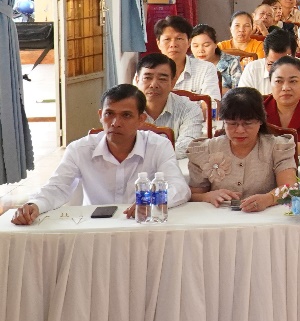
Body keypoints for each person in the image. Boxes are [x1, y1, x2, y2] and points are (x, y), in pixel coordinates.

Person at [11, 85, 188, 225]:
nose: (115, 123)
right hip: (94, 228)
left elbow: (179, 188)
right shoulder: (80, 149)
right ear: (100, 116)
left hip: (142, 225)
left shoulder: (159, 146)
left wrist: (151, 202)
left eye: (126, 115)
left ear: (141, 119)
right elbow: (58, 188)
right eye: (109, 114)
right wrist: (35, 205)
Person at [186, 88, 297, 212]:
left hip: (264, 216)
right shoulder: (206, 149)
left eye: (248, 123)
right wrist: (207, 196)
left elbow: (289, 187)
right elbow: (192, 194)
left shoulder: (277, 147)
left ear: (260, 121)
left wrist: (268, 198)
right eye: (232, 124)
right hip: (218, 218)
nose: (239, 130)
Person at [134, 53, 205, 158]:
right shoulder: (124, 109)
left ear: (173, 82)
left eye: (162, 79)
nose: (154, 84)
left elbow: (188, 146)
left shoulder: (190, 109)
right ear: (137, 80)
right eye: (147, 78)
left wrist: (147, 157)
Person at [237, 29, 300, 96]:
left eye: (284, 64)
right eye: (271, 64)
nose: (278, 71)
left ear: (295, 56)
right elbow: (243, 103)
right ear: (265, 54)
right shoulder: (252, 69)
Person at [156, 15, 223, 101]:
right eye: (167, 39)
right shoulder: (148, 70)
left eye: (179, 38)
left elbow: (211, 105)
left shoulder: (206, 68)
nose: (173, 44)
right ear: (158, 43)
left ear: (189, 42)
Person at [191, 24, 243, 92]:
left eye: (206, 45)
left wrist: (214, 91)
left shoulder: (232, 62)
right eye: (196, 46)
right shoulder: (188, 63)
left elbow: (238, 93)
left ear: (215, 44)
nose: (201, 50)